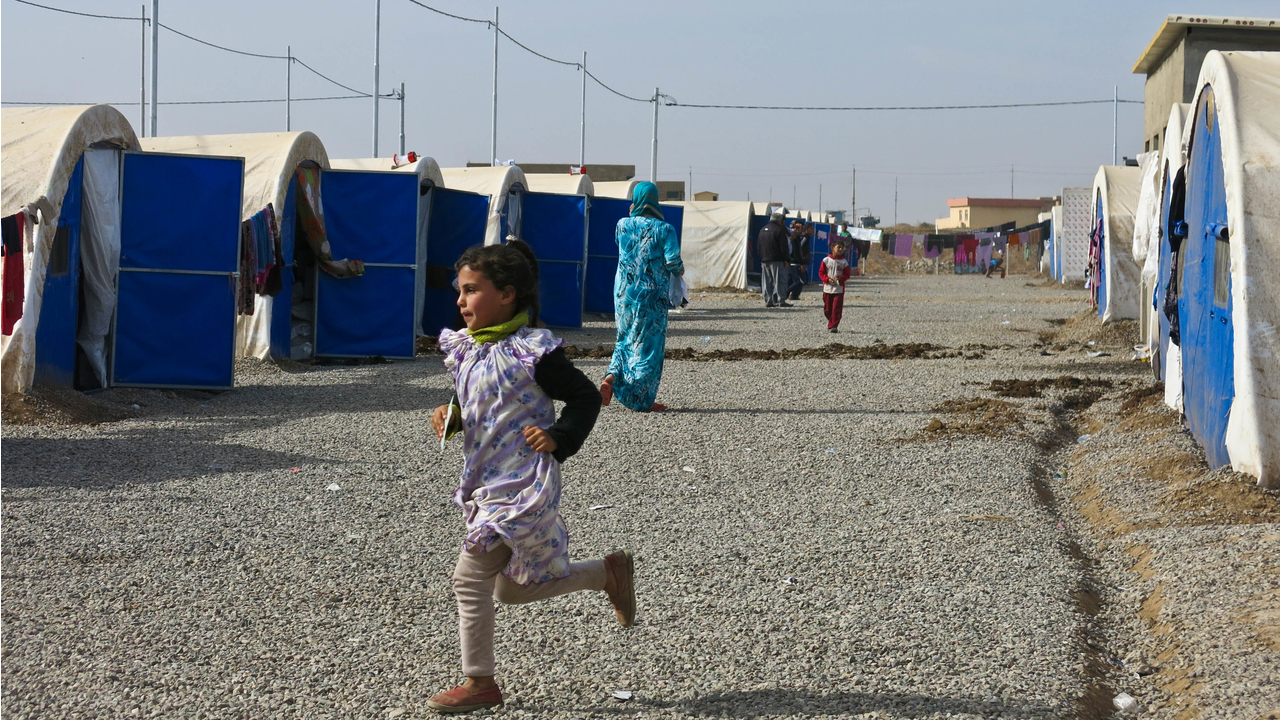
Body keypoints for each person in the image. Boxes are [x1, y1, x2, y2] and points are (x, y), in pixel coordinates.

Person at [428, 240, 636, 714]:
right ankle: (606, 573)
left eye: (471, 291)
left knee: (469, 576)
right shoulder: (469, 350)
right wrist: (452, 415)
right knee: (509, 588)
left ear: (507, 294)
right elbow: (481, 400)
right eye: (459, 292)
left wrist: (559, 437)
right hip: (487, 483)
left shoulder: (533, 352)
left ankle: (480, 683)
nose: (461, 301)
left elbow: (585, 397)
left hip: (523, 485)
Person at [599, 182, 684, 413]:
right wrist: (680, 273)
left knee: (624, 338)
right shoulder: (665, 229)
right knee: (648, 346)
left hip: (624, 293)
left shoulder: (622, 224)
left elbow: (623, 247)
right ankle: (642, 400)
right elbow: (673, 261)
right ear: (655, 200)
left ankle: (610, 377)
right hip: (651, 295)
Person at [758, 211, 792, 308]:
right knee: (780, 280)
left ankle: (768, 300)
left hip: (765, 260)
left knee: (767, 281)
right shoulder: (779, 230)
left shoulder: (762, 230)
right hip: (777, 260)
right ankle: (781, 300)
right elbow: (783, 247)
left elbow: (759, 246)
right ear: (780, 221)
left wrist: (762, 258)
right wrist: (786, 260)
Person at [819, 240, 851, 333]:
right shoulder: (826, 260)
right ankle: (831, 321)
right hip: (827, 288)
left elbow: (847, 275)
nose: (841, 249)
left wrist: (841, 277)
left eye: (842, 248)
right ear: (833, 248)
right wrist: (827, 279)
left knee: (837, 307)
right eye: (839, 247)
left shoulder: (844, 262)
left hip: (839, 289)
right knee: (827, 309)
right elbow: (821, 272)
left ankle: (834, 326)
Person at [787, 220, 811, 301]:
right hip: (794, 262)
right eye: (797, 228)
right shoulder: (792, 239)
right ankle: (785, 293)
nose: (800, 230)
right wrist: (801, 263)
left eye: (801, 228)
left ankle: (791, 295)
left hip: (796, 262)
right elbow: (796, 252)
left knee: (792, 280)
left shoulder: (797, 238)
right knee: (800, 280)